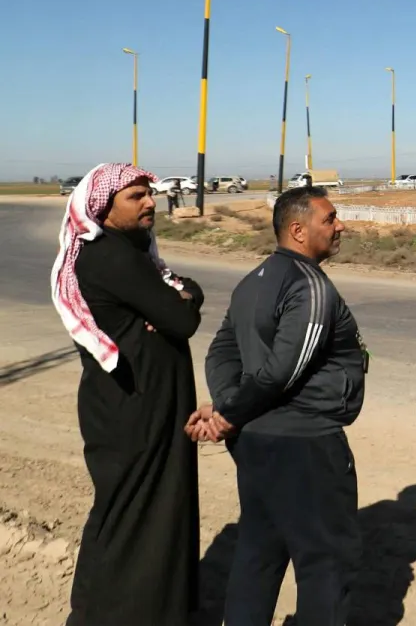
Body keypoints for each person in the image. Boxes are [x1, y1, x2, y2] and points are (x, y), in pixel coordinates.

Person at [198, 184, 368, 626]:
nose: (339, 226)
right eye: (329, 219)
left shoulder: (252, 280)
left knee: (258, 555)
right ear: (297, 230)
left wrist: (226, 411)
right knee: (325, 564)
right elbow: (282, 372)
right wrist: (228, 415)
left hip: (256, 443)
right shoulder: (310, 286)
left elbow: (220, 355)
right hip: (306, 447)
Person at [50, 163, 205, 626]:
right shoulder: (112, 257)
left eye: (149, 194)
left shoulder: (131, 254)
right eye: (136, 196)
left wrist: (183, 295)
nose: (150, 202)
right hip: (133, 410)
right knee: (131, 514)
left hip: (140, 406)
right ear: (104, 207)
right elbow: (184, 320)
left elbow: (182, 297)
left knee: (151, 511)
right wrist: (182, 299)